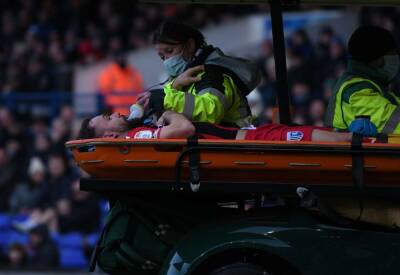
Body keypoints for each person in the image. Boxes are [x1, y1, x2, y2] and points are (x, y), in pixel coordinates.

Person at [136, 20, 261, 128]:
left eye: (169, 51)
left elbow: (211, 112)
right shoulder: (183, 77)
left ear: (190, 45)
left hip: (234, 146)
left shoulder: (212, 74)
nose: (167, 60)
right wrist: (174, 86)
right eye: (162, 57)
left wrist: (165, 98)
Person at [78, 110, 353, 143]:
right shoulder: (140, 136)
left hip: (249, 136)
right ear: (112, 134)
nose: (114, 112)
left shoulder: (140, 131)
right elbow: (184, 129)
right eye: (106, 116)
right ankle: (362, 142)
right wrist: (169, 112)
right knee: (306, 136)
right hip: (249, 143)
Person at [325, 25, 400, 134]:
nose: (396, 59)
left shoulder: (374, 87)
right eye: (392, 54)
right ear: (378, 60)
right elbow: (394, 124)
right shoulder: (357, 92)